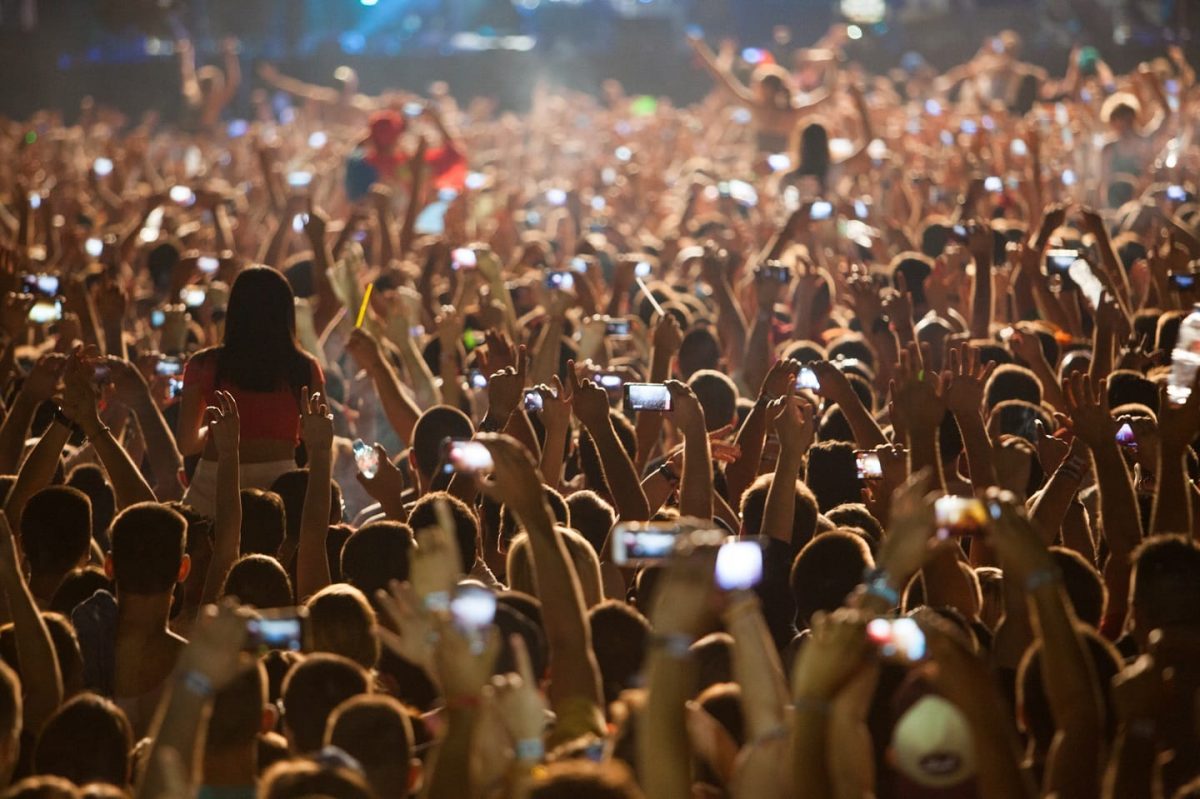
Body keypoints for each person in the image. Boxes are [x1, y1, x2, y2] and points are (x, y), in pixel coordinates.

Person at [177, 267, 324, 517]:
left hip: (214, 480)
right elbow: (319, 437)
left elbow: (186, 443)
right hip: (280, 484)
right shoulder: (305, 367)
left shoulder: (203, 364)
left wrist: (217, 429)